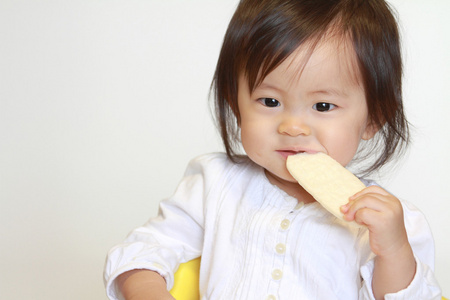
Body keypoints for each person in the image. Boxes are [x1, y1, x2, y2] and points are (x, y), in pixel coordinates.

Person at [104, 0, 442, 299]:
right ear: (235, 104)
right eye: (270, 101)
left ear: (373, 119)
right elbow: (141, 252)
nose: (292, 126)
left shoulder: (389, 222)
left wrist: (394, 251)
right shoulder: (214, 185)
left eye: (323, 106)